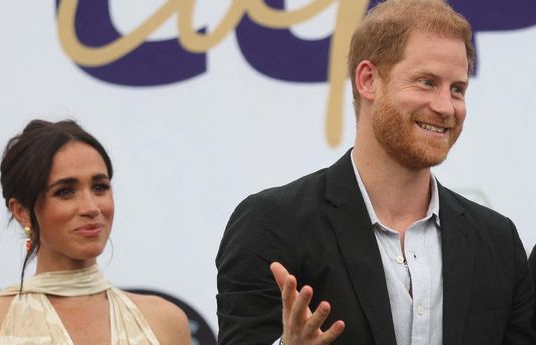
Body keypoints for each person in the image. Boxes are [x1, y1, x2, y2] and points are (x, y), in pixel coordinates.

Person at [215, 1, 536, 345]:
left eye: (457, 89)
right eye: (427, 82)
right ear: (368, 80)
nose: (446, 106)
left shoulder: (497, 241)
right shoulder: (271, 225)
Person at [0, 119, 191, 345]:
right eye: (65, 191)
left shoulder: (165, 323)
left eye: (99, 187)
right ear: (21, 211)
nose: (91, 208)